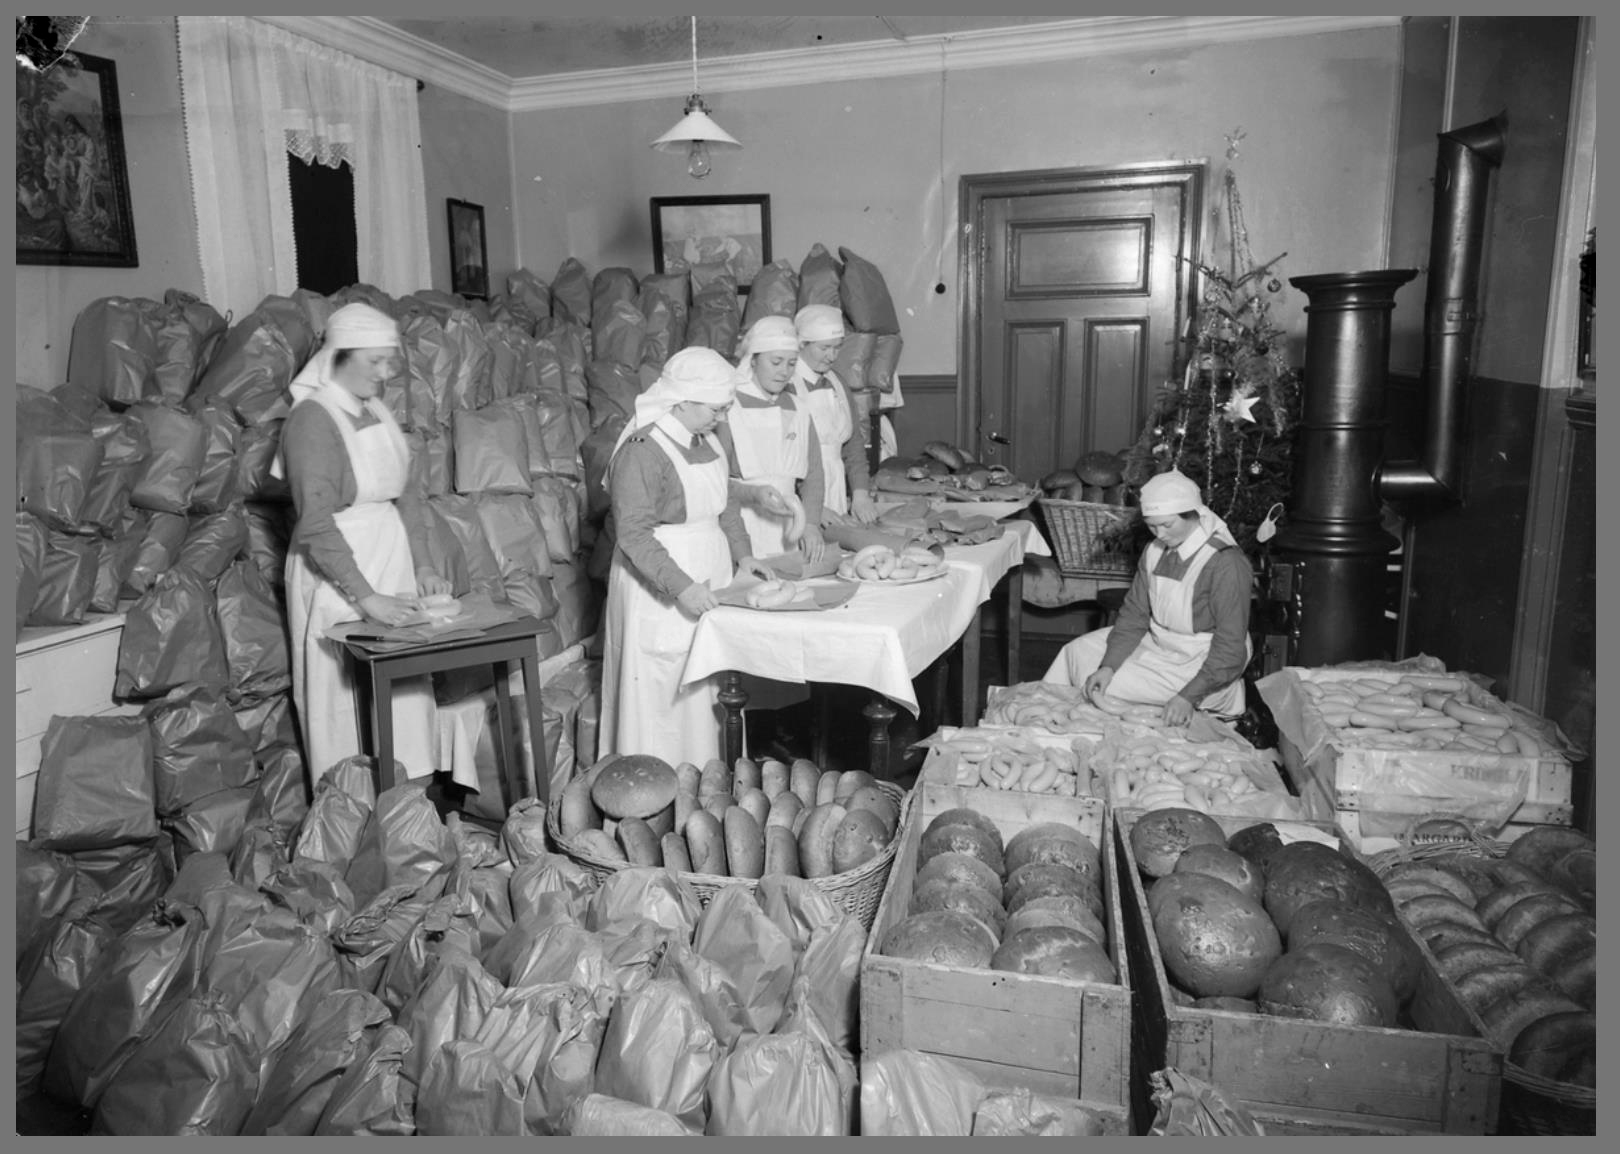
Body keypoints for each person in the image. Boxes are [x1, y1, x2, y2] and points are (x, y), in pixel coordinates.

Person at [280, 303, 448, 783]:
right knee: (344, 703)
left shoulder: (375, 410)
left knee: (405, 698)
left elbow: (407, 495)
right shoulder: (312, 420)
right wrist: (365, 595)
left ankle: (409, 813)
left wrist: (422, 566)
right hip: (336, 570)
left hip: (389, 560)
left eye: (389, 359)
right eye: (374, 361)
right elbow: (314, 522)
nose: (386, 371)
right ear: (338, 357)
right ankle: (351, 818)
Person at [600, 347, 772, 767]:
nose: (722, 418)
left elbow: (723, 502)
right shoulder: (642, 451)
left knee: (710, 691)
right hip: (659, 579)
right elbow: (634, 536)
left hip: (708, 569)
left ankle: (711, 786)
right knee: (666, 694)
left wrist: (744, 556)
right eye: (716, 409)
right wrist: (681, 588)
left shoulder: (707, 438)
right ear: (680, 401)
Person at [1043, 470, 1253, 724]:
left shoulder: (1226, 563)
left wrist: (1188, 696)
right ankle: (1045, 723)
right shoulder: (1154, 550)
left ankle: (1218, 701)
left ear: (1193, 514)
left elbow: (1231, 648)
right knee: (1076, 653)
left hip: (1201, 660)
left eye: (1167, 525)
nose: (1160, 534)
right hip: (1159, 642)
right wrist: (1108, 665)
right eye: (1152, 526)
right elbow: (1134, 615)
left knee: (1106, 687)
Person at [726, 315, 828, 564]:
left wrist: (812, 523)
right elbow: (715, 481)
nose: (784, 371)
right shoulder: (728, 407)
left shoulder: (799, 408)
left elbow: (814, 473)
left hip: (788, 524)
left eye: (791, 363)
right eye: (776, 362)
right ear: (753, 360)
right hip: (738, 523)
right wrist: (753, 493)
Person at [791, 304, 878, 524]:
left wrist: (860, 493)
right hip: (798, 496)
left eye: (837, 347)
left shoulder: (837, 382)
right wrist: (811, 507)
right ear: (801, 344)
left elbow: (854, 444)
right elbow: (784, 460)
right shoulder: (786, 386)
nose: (832, 356)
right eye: (824, 348)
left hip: (835, 485)